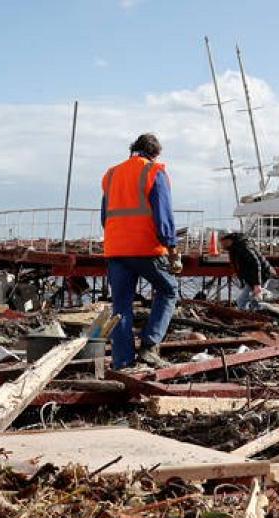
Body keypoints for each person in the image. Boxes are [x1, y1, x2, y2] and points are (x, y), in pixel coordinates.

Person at [102, 133, 181, 369]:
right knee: (168, 290)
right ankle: (150, 345)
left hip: (116, 249)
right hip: (146, 248)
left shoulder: (112, 174)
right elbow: (163, 216)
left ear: (133, 149)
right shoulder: (154, 172)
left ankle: (122, 361)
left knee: (121, 306)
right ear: (155, 153)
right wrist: (172, 249)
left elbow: (105, 216)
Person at [220, 232, 275, 310]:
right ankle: (256, 316)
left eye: (223, 243)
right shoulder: (235, 248)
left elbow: (256, 264)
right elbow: (238, 264)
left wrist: (257, 284)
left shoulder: (243, 247)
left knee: (242, 301)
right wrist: (238, 276)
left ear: (230, 241)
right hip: (253, 277)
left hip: (262, 275)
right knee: (253, 302)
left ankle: (270, 312)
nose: (222, 246)